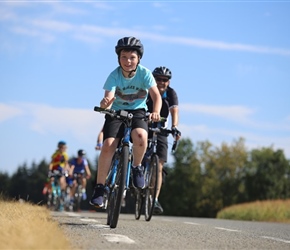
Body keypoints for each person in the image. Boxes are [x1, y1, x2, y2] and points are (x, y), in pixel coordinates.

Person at [90, 36, 162, 208]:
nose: (128, 61)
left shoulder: (145, 74)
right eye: (124, 57)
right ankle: (100, 188)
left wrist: (156, 112)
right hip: (116, 112)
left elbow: (156, 96)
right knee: (108, 145)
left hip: (138, 111)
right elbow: (108, 96)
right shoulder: (114, 75)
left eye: (132, 57)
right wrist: (105, 103)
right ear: (118, 58)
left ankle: (137, 167)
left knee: (140, 136)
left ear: (138, 59)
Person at [146, 66, 181, 214]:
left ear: (169, 81)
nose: (161, 82)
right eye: (158, 79)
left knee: (159, 166)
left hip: (162, 129)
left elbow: (175, 111)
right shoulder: (147, 90)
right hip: (145, 124)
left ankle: (154, 200)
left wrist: (174, 127)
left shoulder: (171, 93)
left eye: (165, 80)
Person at [48, 141, 70, 207]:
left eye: (63, 147)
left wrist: (65, 170)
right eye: (60, 147)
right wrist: (49, 170)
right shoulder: (55, 154)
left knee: (61, 181)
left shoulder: (65, 155)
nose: (61, 148)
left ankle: (63, 193)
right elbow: (51, 163)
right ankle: (51, 193)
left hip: (61, 170)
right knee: (51, 180)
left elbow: (66, 164)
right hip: (54, 169)